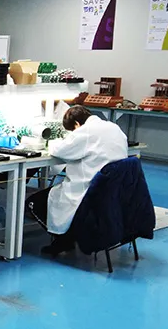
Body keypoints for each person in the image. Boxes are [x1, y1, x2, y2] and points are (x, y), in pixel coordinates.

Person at [27, 105, 127, 256]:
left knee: (34, 202)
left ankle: (63, 240)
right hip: (112, 191)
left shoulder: (85, 132)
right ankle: (68, 236)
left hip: (87, 191)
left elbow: (59, 150)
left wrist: (54, 142)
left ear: (76, 124)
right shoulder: (114, 127)